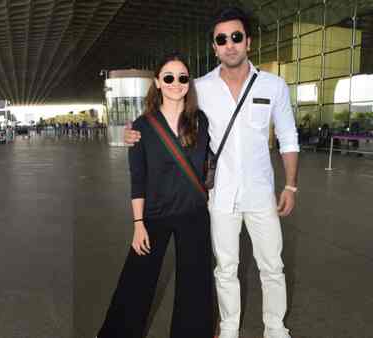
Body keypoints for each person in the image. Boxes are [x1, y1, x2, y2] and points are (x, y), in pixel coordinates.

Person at [124, 7, 299, 338]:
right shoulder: (200, 87)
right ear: (215, 46)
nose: (229, 44)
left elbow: (289, 136)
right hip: (219, 196)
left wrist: (290, 186)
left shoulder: (274, 86)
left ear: (248, 41)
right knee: (225, 269)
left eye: (236, 37)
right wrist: (134, 131)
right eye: (222, 39)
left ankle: (276, 328)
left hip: (262, 193)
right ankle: (229, 329)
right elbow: (167, 109)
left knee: (272, 266)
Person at [97, 52, 214, 338]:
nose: (177, 83)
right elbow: (138, 179)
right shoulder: (142, 127)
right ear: (158, 82)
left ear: (189, 83)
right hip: (155, 214)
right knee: (137, 280)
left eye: (182, 78)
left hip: (194, 213)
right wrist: (138, 224)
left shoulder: (200, 121)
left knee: (195, 281)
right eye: (169, 77)